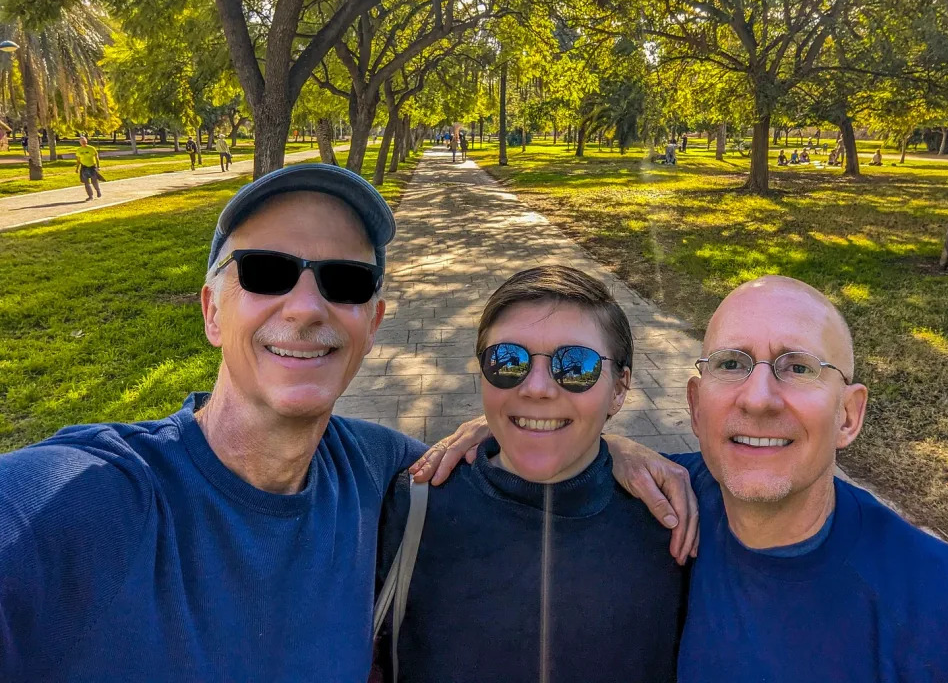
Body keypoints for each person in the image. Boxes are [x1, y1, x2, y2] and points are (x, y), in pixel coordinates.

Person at [0, 163, 695, 682]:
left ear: (373, 322)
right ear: (212, 311)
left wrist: (604, 443)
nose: (306, 307)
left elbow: (513, 469)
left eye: (345, 281)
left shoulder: (380, 471)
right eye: (267, 271)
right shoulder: (83, 499)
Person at [427, 275, 948, 683]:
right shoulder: (661, 495)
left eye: (798, 367)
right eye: (731, 363)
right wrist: (511, 427)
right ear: (696, 407)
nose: (757, 397)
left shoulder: (937, 600)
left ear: (848, 415)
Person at [376, 266, 686, 683]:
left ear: (619, 387)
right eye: (509, 362)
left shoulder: (672, 518)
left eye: (575, 365)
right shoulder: (409, 508)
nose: (536, 388)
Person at [74, 135, 102, 201]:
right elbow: (78, 160)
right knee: (86, 182)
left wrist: (98, 166)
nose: (83, 142)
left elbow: (96, 157)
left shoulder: (92, 148)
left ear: (86, 141)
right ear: (80, 142)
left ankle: (98, 190)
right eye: (82, 141)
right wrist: (77, 168)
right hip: (84, 167)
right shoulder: (79, 150)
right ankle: (90, 196)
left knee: (94, 181)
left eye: (84, 141)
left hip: (92, 167)